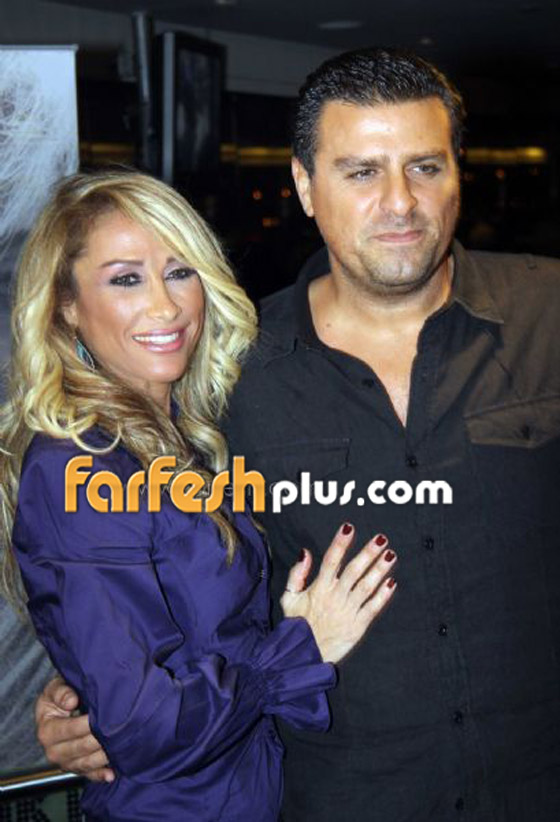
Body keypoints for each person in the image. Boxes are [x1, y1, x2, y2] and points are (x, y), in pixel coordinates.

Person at [36, 48, 560, 821]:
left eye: (424, 167)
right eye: (360, 172)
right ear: (305, 187)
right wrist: (89, 693)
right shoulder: (226, 377)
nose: (400, 202)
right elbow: (169, 580)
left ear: (459, 173)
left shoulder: (550, 312)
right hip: (338, 798)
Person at [0, 170, 398, 821]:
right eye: (126, 279)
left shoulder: (187, 432)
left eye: (180, 271)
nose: (165, 306)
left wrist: (274, 627)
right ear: (67, 304)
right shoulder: (79, 466)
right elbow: (143, 725)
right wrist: (300, 646)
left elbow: (172, 643)